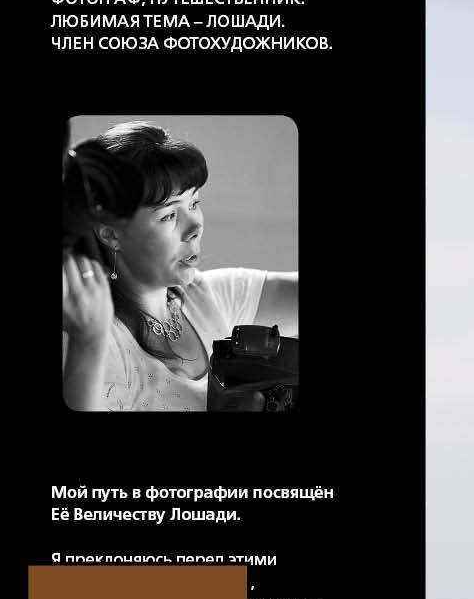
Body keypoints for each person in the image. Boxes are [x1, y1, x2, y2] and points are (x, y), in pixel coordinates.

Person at [60, 121, 299, 411]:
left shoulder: (212, 294)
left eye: (194, 203)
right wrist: (89, 341)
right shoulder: (100, 342)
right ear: (110, 233)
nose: (196, 225)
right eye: (169, 215)